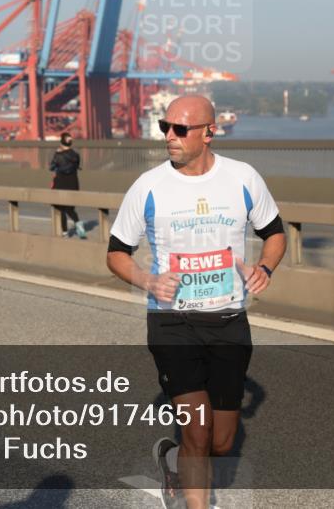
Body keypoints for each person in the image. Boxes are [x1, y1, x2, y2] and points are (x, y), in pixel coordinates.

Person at [106, 95, 286, 509]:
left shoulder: (243, 177)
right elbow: (116, 252)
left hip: (228, 320)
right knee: (199, 430)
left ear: (209, 132)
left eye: (179, 129)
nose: (169, 136)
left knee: (221, 444)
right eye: (163, 126)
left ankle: (173, 461)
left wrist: (266, 267)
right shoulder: (148, 185)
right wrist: (148, 280)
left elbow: (275, 232)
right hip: (173, 323)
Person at [49, 132, 86, 239]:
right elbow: (76, 166)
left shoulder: (58, 155)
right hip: (73, 183)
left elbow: (51, 167)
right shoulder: (75, 155)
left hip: (60, 183)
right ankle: (79, 226)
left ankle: (65, 232)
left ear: (61, 142)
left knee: (61, 209)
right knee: (70, 209)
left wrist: (58, 159)